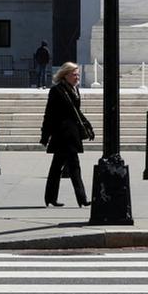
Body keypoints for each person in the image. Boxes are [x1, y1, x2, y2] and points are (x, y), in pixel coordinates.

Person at [39, 63, 92, 208]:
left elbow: (77, 111)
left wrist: (88, 125)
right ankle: (82, 199)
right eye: (74, 74)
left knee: (57, 167)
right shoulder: (57, 91)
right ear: (65, 75)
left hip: (72, 133)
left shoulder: (75, 89)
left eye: (78, 75)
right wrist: (45, 135)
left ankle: (50, 197)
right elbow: (49, 113)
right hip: (62, 134)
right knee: (74, 166)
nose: (77, 77)